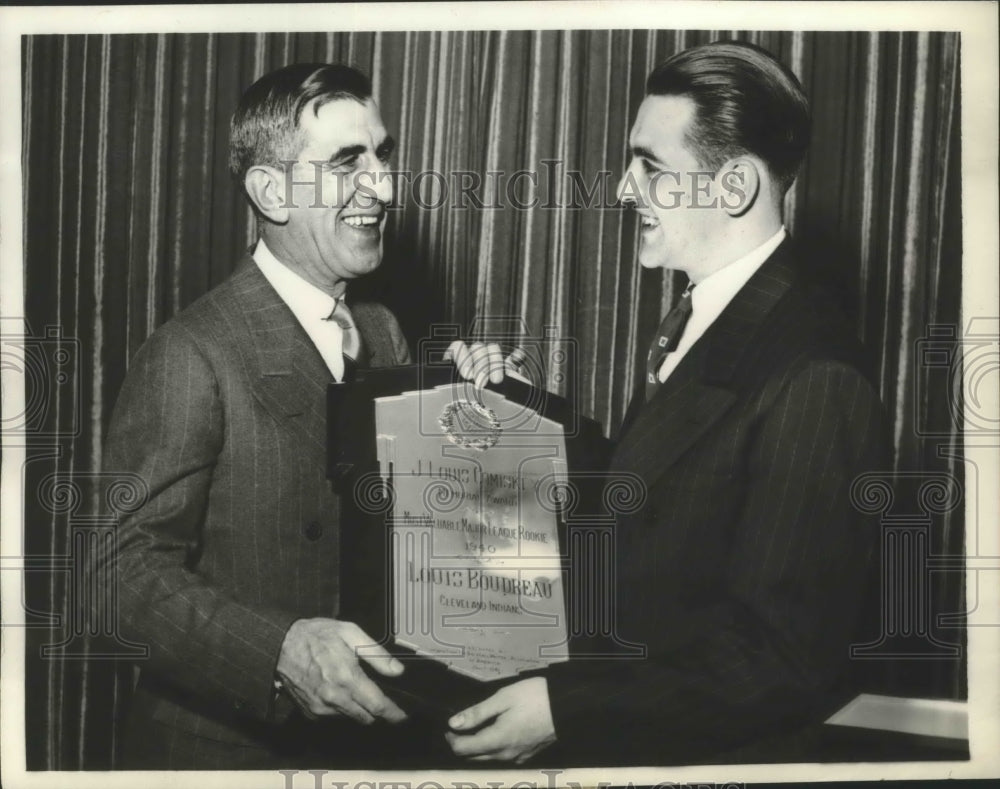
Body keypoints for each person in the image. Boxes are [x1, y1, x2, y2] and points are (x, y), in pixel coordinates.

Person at [444, 41, 889, 765]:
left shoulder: (815, 374)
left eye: (651, 165)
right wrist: (518, 406)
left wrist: (565, 707)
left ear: (734, 185)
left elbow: (780, 660)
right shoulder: (713, 313)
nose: (623, 189)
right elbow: (653, 488)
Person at [98, 63, 416, 769]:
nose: (385, 187)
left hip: (365, 749)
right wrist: (278, 651)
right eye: (346, 163)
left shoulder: (385, 330)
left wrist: (482, 404)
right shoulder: (192, 352)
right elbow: (115, 576)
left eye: (382, 156)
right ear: (271, 192)